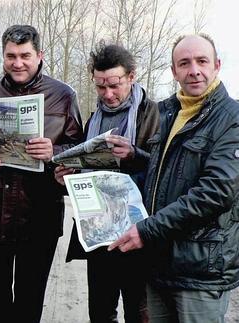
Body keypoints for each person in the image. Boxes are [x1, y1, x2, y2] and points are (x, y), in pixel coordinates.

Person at [109, 34, 239, 322]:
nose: (194, 70)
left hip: (200, 269)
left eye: (202, 61)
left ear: (216, 66)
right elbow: (171, 170)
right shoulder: (169, 112)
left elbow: (216, 191)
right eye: (184, 63)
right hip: (161, 264)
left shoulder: (232, 117)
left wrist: (147, 230)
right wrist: (137, 157)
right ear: (174, 71)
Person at [0, 25, 83, 323]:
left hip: (39, 217)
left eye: (25, 56)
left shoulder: (63, 95)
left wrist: (54, 152)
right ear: (3, 56)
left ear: (39, 55)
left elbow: (80, 149)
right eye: (11, 56)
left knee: (29, 304)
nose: (18, 63)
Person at [56, 43, 159, 323]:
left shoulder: (156, 115)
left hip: (139, 233)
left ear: (132, 76)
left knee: (140, 312)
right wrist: (69, 177)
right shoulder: (93, 119)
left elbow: (167, 172)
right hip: (99, 233)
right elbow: (87, 169)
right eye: (100, 87)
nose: (108, 94)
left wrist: (134, 154)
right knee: (100, 312)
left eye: (114, 85)